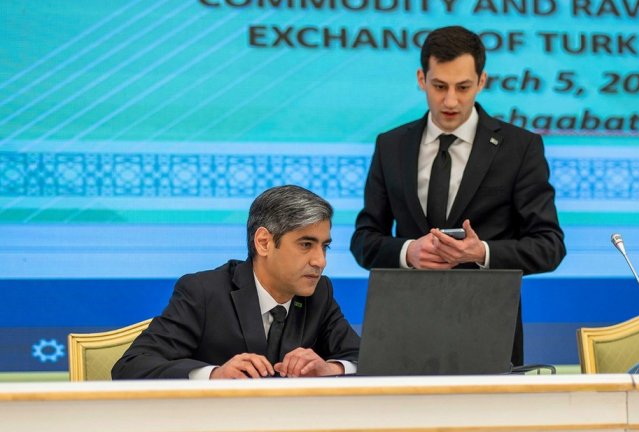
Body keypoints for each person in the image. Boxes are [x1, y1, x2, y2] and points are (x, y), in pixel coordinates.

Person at [350, 25, 566, 366]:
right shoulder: (391, 146)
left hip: (489, 328)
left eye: (463, 87)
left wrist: (482, 252)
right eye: (439, 86)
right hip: (405, 325)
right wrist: (409, 252)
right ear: (421, 79)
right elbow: (363, 241)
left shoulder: (520, 148)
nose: (450, 101)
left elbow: (549, 246)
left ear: (481, 81)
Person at [113, 185, 359, 379]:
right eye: (306, 244)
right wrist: (214, 375)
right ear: (263, 242)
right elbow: (131, 366)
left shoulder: (319, 293)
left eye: (324, 246)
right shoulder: (204, 292)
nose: (320, 261)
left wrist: (331, 369)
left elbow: (365, 359)